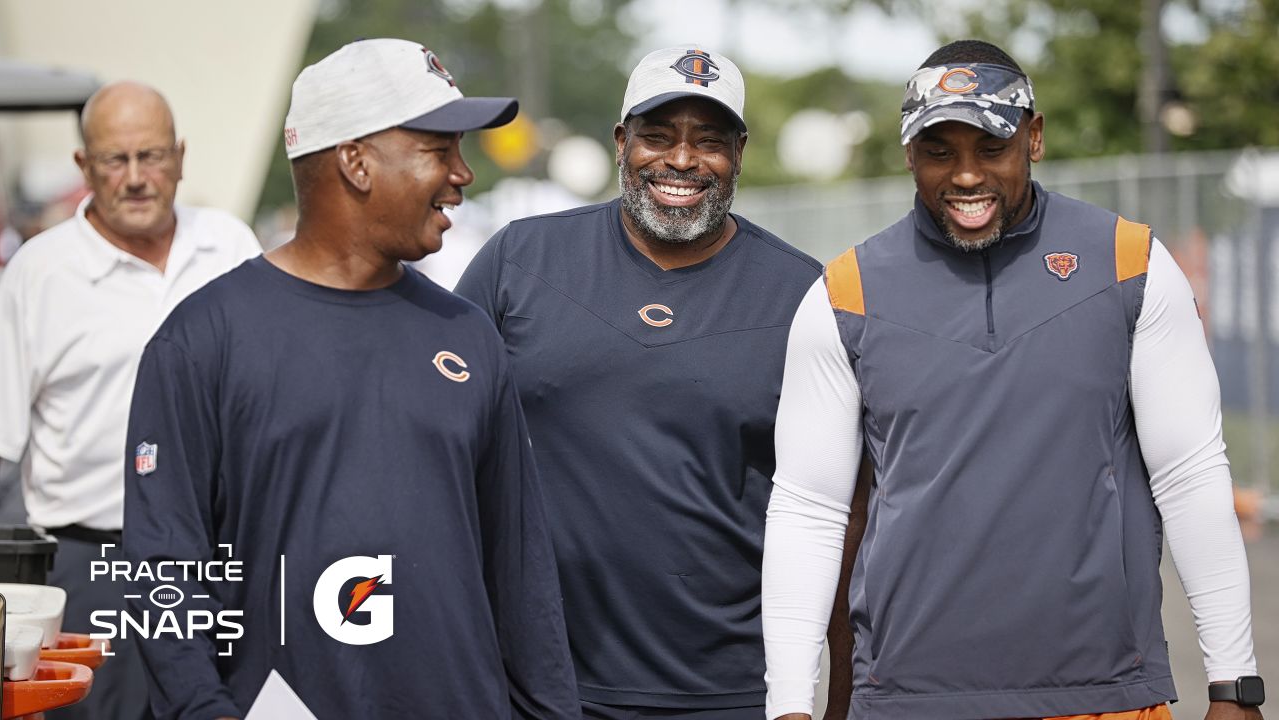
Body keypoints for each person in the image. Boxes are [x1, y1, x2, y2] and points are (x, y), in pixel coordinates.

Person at [761, 39, 1265, 720]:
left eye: (990, 146)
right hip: (911, 698)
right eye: (939, 150)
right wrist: (789, 704)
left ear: (1034, 138)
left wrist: (1234, 684)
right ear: (909, 153)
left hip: (1102, 694)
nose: (965, 175)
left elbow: (1191, 474)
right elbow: (809, 510)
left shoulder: (1129, 263)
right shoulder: (846, 292)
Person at [122, 38, 579, 719]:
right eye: (438, 149)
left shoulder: (469, 336)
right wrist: (202, 709)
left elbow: (520, 572)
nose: (463, 174)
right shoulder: (201, 340)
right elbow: (161, 565)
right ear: (357, 163)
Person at [455, 45, 823, 719]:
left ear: (739, 154)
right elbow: (446, 441)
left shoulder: (804, 294)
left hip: (726, 692)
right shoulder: (519, 258)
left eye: (708, 142)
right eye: (657, 136)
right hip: (534, 682)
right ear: (622, 141)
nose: (681, 161)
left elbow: (833, 506)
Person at [0, 80, 259, 720]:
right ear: (84, 166)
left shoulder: (230, 247)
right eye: (116, 159)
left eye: (153, 155)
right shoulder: (40, 271)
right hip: (90, 569)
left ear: (181, 157)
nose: (137, 177)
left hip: (217, 563)